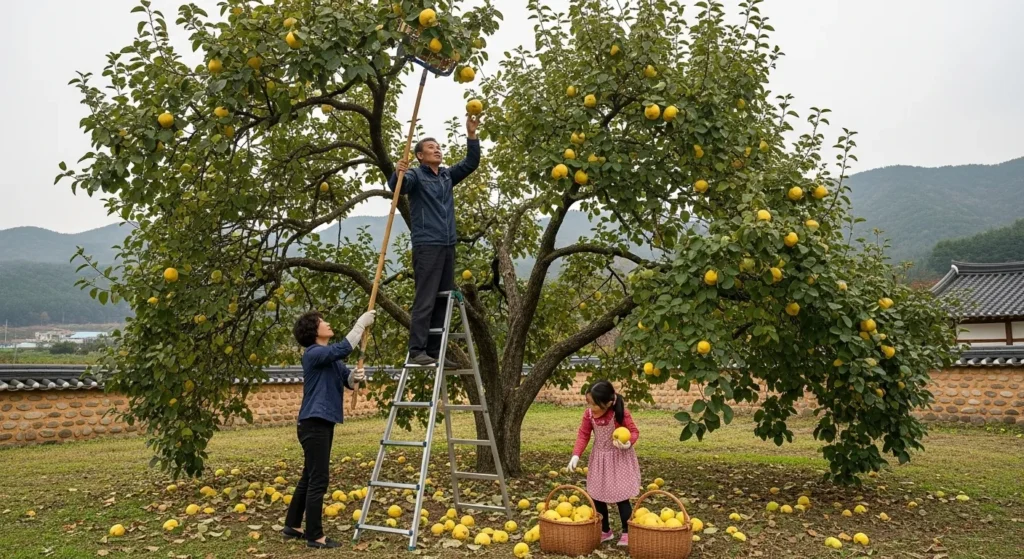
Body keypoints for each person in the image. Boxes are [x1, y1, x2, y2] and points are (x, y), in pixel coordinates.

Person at [388, 115, 480, 367]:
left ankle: (435, 351)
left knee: (443, 298)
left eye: (438, 146)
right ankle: (417, 349)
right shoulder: (416, 175)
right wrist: (398, 173)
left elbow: (471, 163)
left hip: (448, 244)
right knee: (426, 297)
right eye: (431, 147)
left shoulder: (446, 176)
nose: (437, 149)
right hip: (427, 244)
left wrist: (471, 135)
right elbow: (400, 188)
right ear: (420, 155)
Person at [281, 308, 375, 548]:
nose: (328, 323)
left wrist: (355, 376)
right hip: (314, 423)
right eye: (322, 322)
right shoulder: (313, 353)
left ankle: (292, 525)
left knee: (309, 475)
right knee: (319, 479)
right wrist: (360, 325)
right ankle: (315, 536)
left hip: (320, 422)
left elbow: (347, 380)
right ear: (314, 331)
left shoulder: (331, 359)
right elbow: (343, 348)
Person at [568, 379, 641, 546]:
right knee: (597, 495)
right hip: (599, 459)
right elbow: (583, 435)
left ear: (608, 403)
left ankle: (627, 531)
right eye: (588, 402)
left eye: (594, 404)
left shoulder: (619, 413)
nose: (590, 407)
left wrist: (628, 443)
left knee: (622, 496)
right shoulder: (589, 415)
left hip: (619, 459)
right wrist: (576, 455)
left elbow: (634, 431)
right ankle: (605, 530)